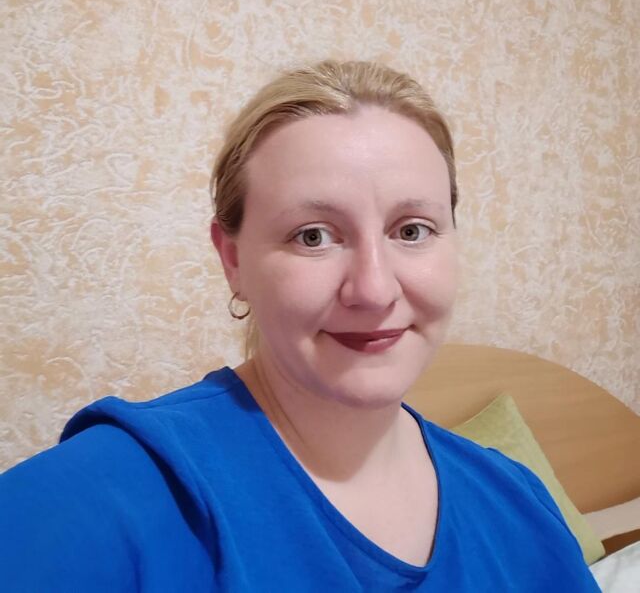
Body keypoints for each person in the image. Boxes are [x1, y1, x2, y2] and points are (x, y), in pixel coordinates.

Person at [0, 60, 598, 591]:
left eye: (412, 230)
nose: (374, 289)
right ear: (233, 260)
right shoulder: (108, 499)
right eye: (313, 236)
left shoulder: (519, 503)